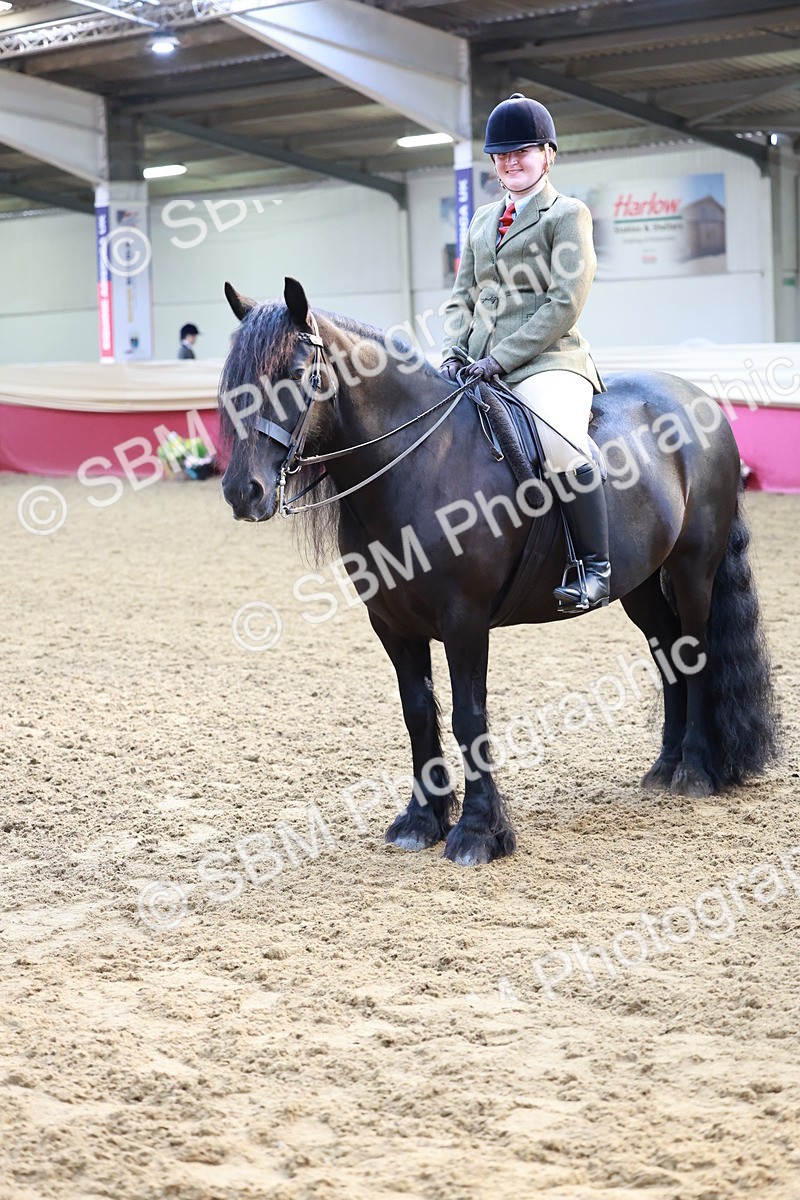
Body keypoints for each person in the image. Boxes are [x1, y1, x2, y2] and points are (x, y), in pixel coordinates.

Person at [439, 93, 609, 614]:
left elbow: (565, 301)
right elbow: (462, 296)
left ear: (547, 155)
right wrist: (452, 350)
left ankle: (594, 568)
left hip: (547, 360)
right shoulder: (481, 219)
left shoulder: (568, 214)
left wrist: (501, 358)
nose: (511, 162)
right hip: (477, 363)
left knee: (561, 447)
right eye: (502, 154)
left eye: (523, 152)